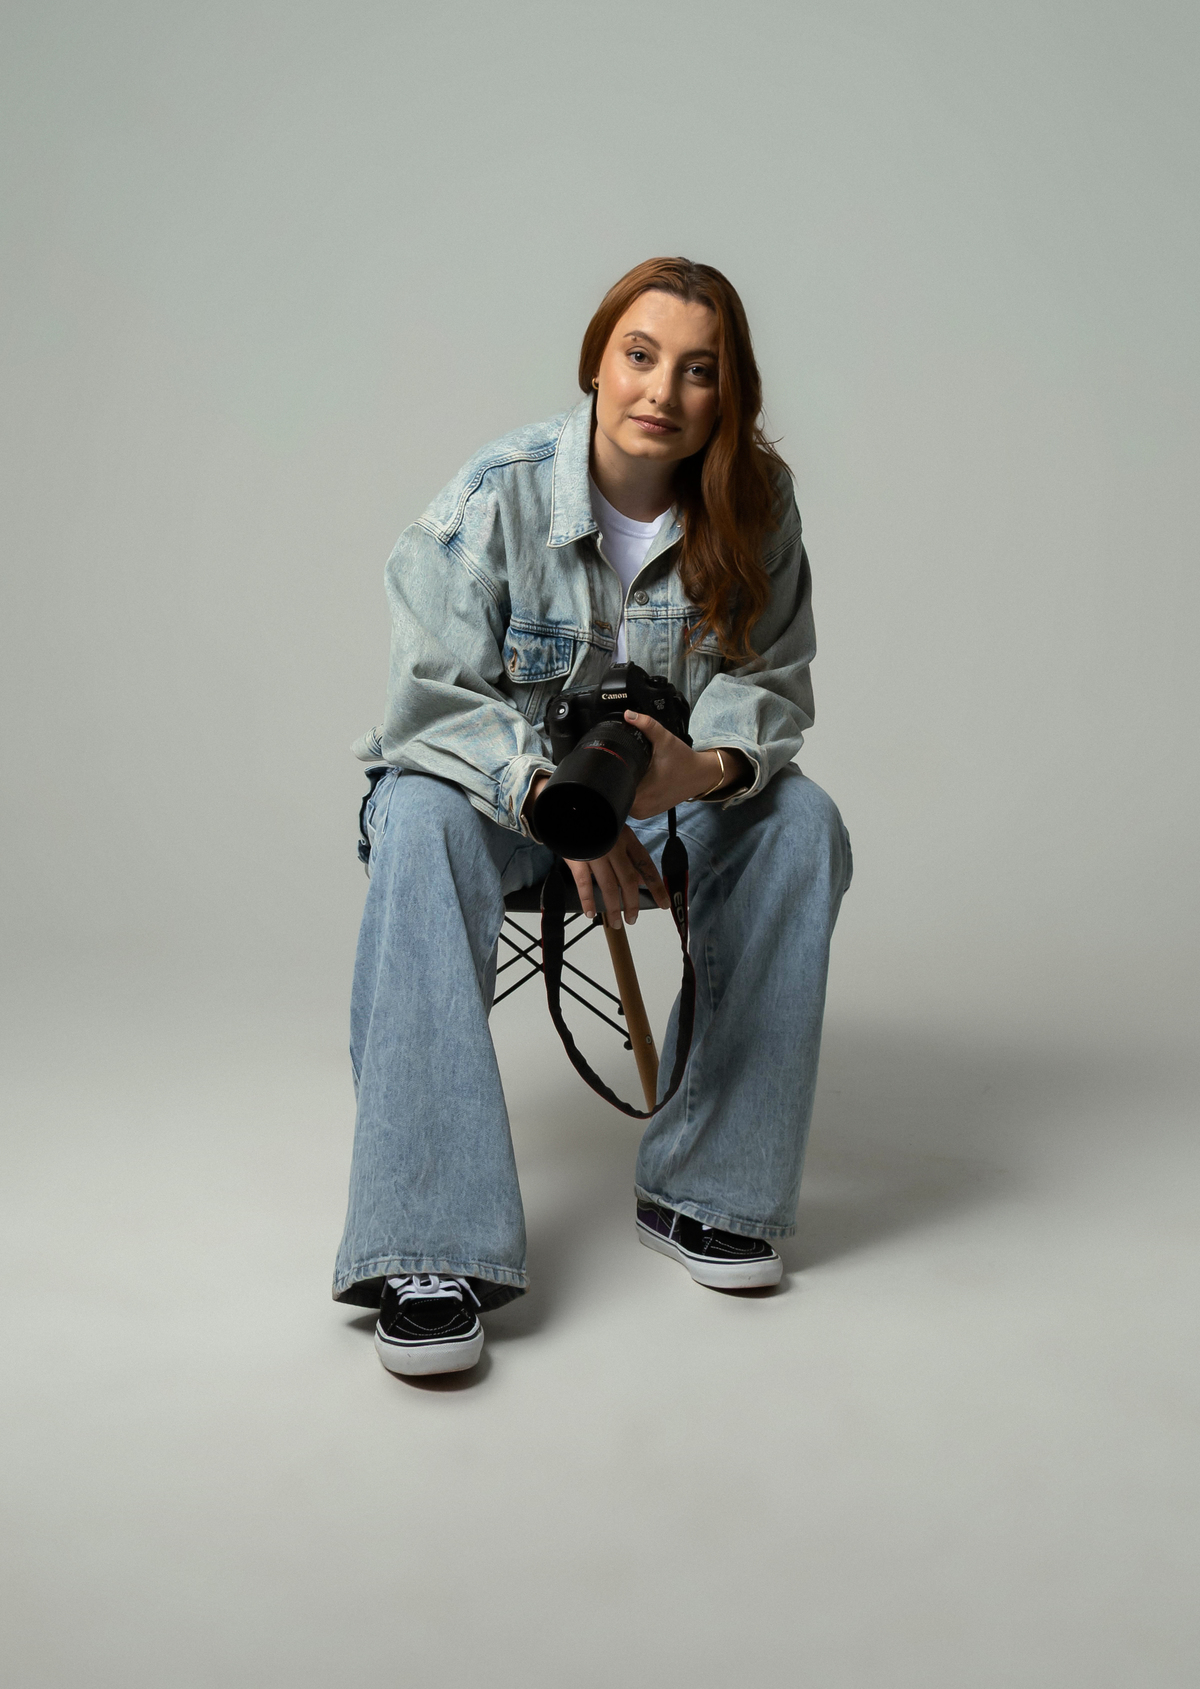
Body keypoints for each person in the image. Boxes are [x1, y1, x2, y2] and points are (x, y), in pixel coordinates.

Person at [334, 257, 852, 1377]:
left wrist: (700, 769)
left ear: (729, 394)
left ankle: (708, 1191)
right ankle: (429, 1246)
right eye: (640, 355)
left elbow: (773, 680)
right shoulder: (497, 496)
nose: (662, 390)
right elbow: (429, 702)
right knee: (416, 815)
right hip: (501, 803)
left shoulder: (755, 506)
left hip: (665, 809)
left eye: (699, 370)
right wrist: (552, 801)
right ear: (597, 361)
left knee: (800, 823)